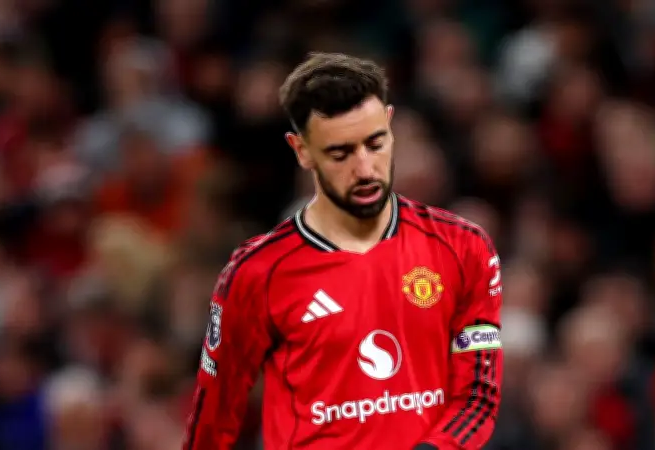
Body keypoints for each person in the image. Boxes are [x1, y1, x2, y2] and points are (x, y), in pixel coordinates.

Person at [182, 52, 503, 450]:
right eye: (340, 153)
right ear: (302, 151)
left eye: (375, 143)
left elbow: (478, 395)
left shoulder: (463, 247)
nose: (365, 168)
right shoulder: (257, 272)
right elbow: (212, 423)